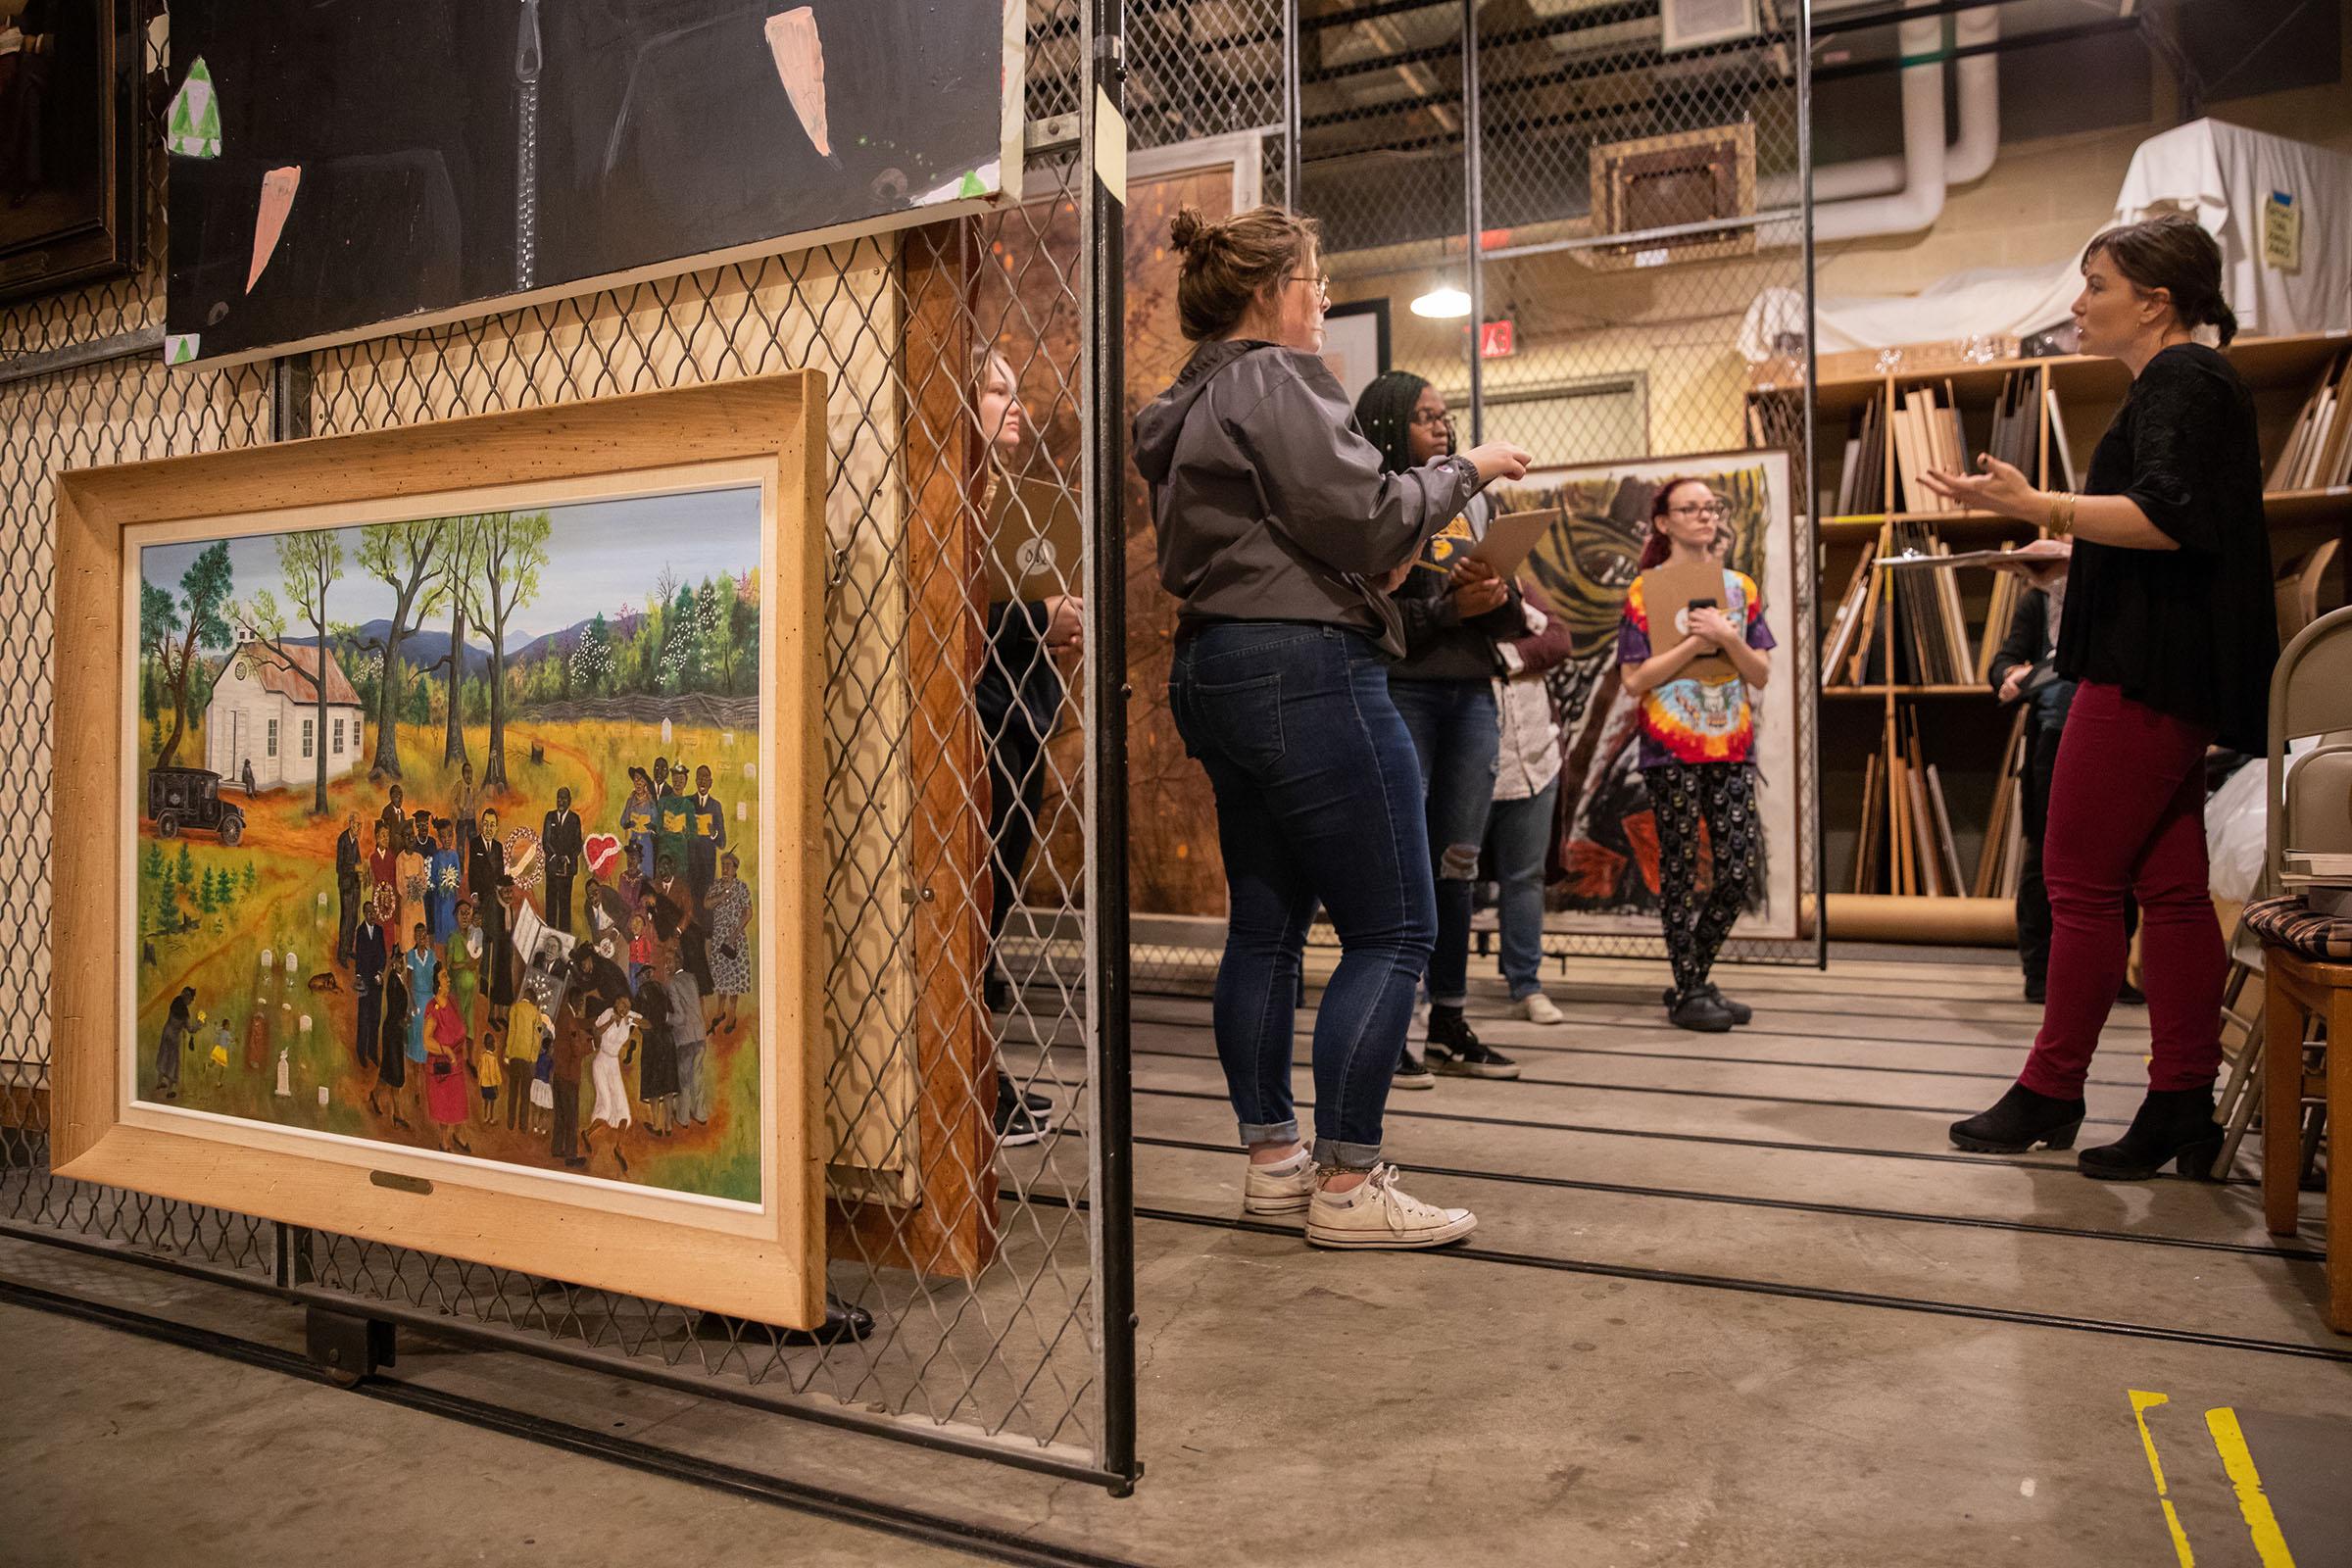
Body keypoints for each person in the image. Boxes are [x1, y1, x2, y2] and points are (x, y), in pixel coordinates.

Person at [1133, 202, 1530, 1249]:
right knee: (1396, 925)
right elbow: (1365, 514)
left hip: (1216, 664)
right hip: (1304, 670)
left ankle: (1275, 1161)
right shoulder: (1272, 377)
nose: (1320, 303)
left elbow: (1308, 531)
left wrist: (1380, 552)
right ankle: (1351, 1186)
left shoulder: (1191, 398)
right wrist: (1466, 470)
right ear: (1273, 293)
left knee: (1265, 926)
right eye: (1314, 282)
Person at [1936, 215, 2275, 1179]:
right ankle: (2181, 1103)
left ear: (2154, 300)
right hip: (2172, 667)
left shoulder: (2180, 379)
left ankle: (2052, 1088)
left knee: (2076, 883)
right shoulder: (2190, 383)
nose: (2079, 304)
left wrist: (2032, 505)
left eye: (2096, 285)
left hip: (2146, 671)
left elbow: (2168, 519)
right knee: (2167, 893)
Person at [1356, 370, 1525, 1084]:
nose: (1445, 428)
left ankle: (1449, 1017)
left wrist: (1497, 593)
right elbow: (1376, 621)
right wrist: (1447, 611)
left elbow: (1510, 625)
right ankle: (1395, 1026)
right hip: (1407, 695)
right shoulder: (1378, 507)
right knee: (1405, 866)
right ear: (1391, 427)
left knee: (1460, 861)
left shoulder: (1474, 506)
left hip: (1472, 697)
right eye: (1427, 418)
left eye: (1447, 416)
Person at [1617, 478, 1777, 1033]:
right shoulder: (1645, 591)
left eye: (1712, 508)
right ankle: (1691, 989)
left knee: (1736, 869)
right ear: (1664, 522)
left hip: (1730, 746)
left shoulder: (1741, 588)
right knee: (1682, 871)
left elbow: (1759, 671)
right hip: (1670, 748)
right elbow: (1635, 682)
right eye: (1692, 508)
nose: (1705, 517)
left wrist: (1728, 637)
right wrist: (1692, 643)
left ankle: (1693, 977)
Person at [972, 345, 1077, 1146]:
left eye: (1019, 391)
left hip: (1025, 715)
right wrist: (1044, 618)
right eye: (996, 388)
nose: (1018, 407)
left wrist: (1056, 616)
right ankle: (974, 1081)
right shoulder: (952, 495)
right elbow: (958, 609)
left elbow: (1024, 598)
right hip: (981, 721)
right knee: (977, 907)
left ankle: (980, 1070)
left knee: (996, 905)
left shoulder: (1014, 497)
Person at [1988, 558, 2143, 1005]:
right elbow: (2001, 662)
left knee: (2120, 859)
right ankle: (2039, 973)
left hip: (2117, 736)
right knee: (2045, 856)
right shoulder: (2039, 599)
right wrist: (2008, 676)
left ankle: (2112, 974)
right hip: (2054, 737)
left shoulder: (2123, 595)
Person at [1487, 578, 1580, 1024]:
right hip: (1471, 760)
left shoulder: (1518, 584)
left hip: (1535, 759)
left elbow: (1558, 640)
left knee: (1524, 877)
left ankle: (1526, 983)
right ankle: (1436, 991)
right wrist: (1527, 655)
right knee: (1450, 880)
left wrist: (1505, 658)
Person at [468, 808, 513, 1032]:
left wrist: (503, 898)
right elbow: (472, 875)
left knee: (501, 959)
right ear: (481, 825)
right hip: (482, 907)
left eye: (492, 824)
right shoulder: (475, 845)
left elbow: (503, 878)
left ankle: (499, 1012)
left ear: (496, 827)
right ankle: (486, 1011)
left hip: (497, 906)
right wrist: (475, 897)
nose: (488, 828)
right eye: (485, 824)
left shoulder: (498, 847)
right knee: (487, 959)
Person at [422, 967, 472, 1153]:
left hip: (456, 1063)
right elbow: (427, 1041)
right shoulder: (432, 1007)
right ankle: (444, 1142)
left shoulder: (452, 1000)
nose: (448, 980)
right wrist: (447, 1050)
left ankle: (458, 1135)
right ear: (436, 982)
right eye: (444, 977)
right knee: (445, 1107)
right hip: (441, 1067)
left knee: (458, 1103)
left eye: (447, 976)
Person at [704, 850, 752, 1036]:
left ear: (735, 869)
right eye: (723, 865)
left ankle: (731, 1016)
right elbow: (706, 904)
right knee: (720, 978)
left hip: (734, 938)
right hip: (718, 937)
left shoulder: (741, 887)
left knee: (733, 980)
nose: (725, 869)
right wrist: (720, 898)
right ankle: (720, 1012)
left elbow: (748, 913)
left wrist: (734, 934)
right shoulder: (716, 886)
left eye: (728, 866)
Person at [666, 947, 712, 1129]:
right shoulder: (691, 978)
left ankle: (683, 1117)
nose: (666, 965)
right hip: (699, 1035)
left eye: (669, 961)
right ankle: (700, 1113)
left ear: (678, 962)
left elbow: (680, 1018)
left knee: (684, 1079)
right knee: (698, 1076)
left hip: (684, 1038)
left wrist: (664, 1017)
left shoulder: (672, 983)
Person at [634, 959, 679, 1137]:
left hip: (653, 1041)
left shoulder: (641, 992)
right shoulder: (663, 990)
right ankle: (668, 1125)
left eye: (640, 977)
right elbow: (671, 1014)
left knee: (654, 1086)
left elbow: (639, 1018)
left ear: (643, 976)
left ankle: (655, 1124)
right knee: (667, 1084)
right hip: (667, 1040)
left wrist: (639, 1025)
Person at [353, 895, 390, 1071]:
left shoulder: (380, 931)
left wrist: (380, 972)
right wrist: (360, 975)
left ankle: (372, 1051)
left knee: (375, 1017)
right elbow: (359, 957)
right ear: (364, 914)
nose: (372, 915)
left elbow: (383, 954)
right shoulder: (360, 932)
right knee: (363, 1017)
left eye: (373, 912)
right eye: (368, 913)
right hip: (364, 980)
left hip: (376, 979)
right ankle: (361, 1051)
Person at [542, 786, 583, 933]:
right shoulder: (549, 817)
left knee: (565, 906)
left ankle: (564, 943)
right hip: (552, 869)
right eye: (558, 798)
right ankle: (550, 938)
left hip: (567, 870)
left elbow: (578, 843)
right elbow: (545, 841)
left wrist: (567, 857)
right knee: (551, 906)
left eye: (564, 798)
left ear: (569, 801)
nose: (560, 801)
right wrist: (555, 856)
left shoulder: (575, 819)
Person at [686, 766, 725, 903]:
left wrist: (714, 834)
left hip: (707, 867)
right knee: (690, 903)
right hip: (690, 864)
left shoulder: (716, 806)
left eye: (706, 778)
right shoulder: (688, 802)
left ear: (711, 782)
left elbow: (722, 842)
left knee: (705, 905)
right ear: (696, 781)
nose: (702, 781)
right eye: (699, 778)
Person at [155, 987, 195, 1101]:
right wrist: (200, 1024)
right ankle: (170, 1091)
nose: (191, 1002)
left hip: (166, 1032)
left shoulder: (175, 1001)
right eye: (191, 999)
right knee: (173, 1062)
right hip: (174, 1038)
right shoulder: (185, 1013)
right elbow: (190, 1029)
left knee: (164, 1056)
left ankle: (159, 1082)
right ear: (187, 997)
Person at [334, 812, 364, 965]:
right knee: (346, 919)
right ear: (350, 823)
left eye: (360, 825)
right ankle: (342, 954)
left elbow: (358, 861)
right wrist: (355, 868)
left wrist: (360, 872)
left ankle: (349, 948)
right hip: (346, 886)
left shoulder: (356, 842)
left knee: (353, 919)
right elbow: (339, 866)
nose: (358, 827)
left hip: (355, 886)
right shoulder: (343, 840)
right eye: (356, 824)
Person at [619, 768, 659, 883]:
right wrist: (629, 823)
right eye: (635, 780)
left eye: (640, 780)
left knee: (646, 875)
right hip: (634, 841)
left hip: (646, 842)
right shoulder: (631, 800)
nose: (638, 783)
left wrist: (650, 826)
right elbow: (623, 821)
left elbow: (657, 821)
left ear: (645, 783)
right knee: (634, 876)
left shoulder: (650, 801)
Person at [425, 818, 460, 943]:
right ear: (439, 838)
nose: (447, 840)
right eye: (443, 837)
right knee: (441, 928)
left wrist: (452, 882)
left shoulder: (454, 855)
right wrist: (441, 884)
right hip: (439, 899)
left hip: (451, 898)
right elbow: (433, 877)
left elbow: (458, 876)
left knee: (451, 927)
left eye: (450, 836)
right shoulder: (436, 856)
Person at [367, 819, 402, 934]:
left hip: (390, 897)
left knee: (389, 927)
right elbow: (376, 877)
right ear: (377, 837)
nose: (386, 838)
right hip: (378, 897)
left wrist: (391, 895)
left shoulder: (392, 857)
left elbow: (393, 878)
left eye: (388, 835)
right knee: (379, 925)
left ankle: (389, 950)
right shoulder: (373, 858)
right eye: (383, 835)